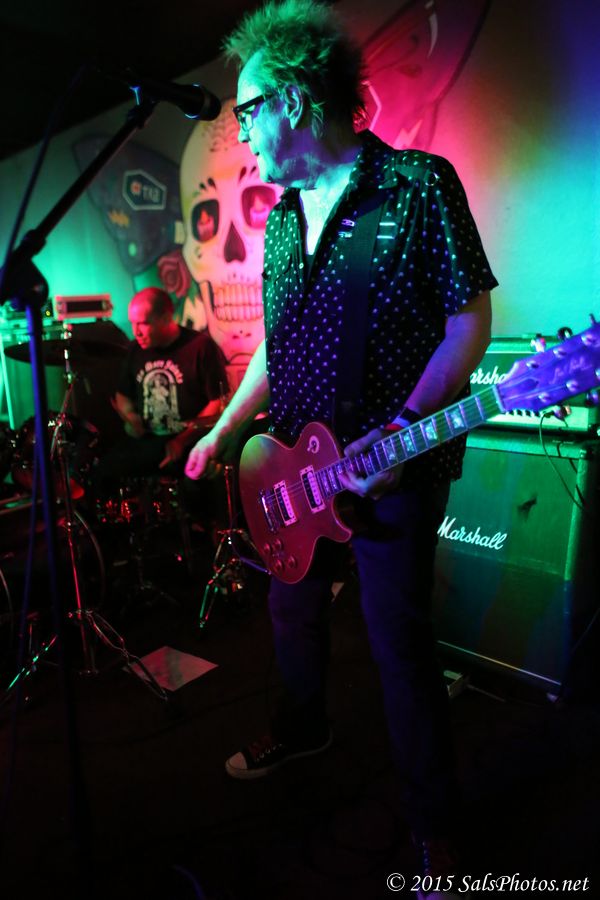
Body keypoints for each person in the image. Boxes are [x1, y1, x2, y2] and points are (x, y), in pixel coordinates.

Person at [185, 0, 496, 890]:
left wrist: (402, 430)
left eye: (249, 110)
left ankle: (436, 826)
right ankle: (303, 725)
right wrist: (224, 430)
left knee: (400, 645)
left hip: (389, 469)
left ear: (294, 99)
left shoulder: (419, 185)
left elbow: (469, 321)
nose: (244, 132)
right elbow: (277, 347)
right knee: (292, 613)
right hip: (291, 470)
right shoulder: (283, 218)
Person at [98, 286, 227, 482]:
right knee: (105, 470)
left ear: (166, 318)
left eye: (143, 323)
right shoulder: (134, 350)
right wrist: (132, 417)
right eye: (133, 323)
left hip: (191, 441)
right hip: (148, 441)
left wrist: (182, 440)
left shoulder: (200, 347)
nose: (136, 332)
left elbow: (216, 402)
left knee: (192, 482)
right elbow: (123, 395)